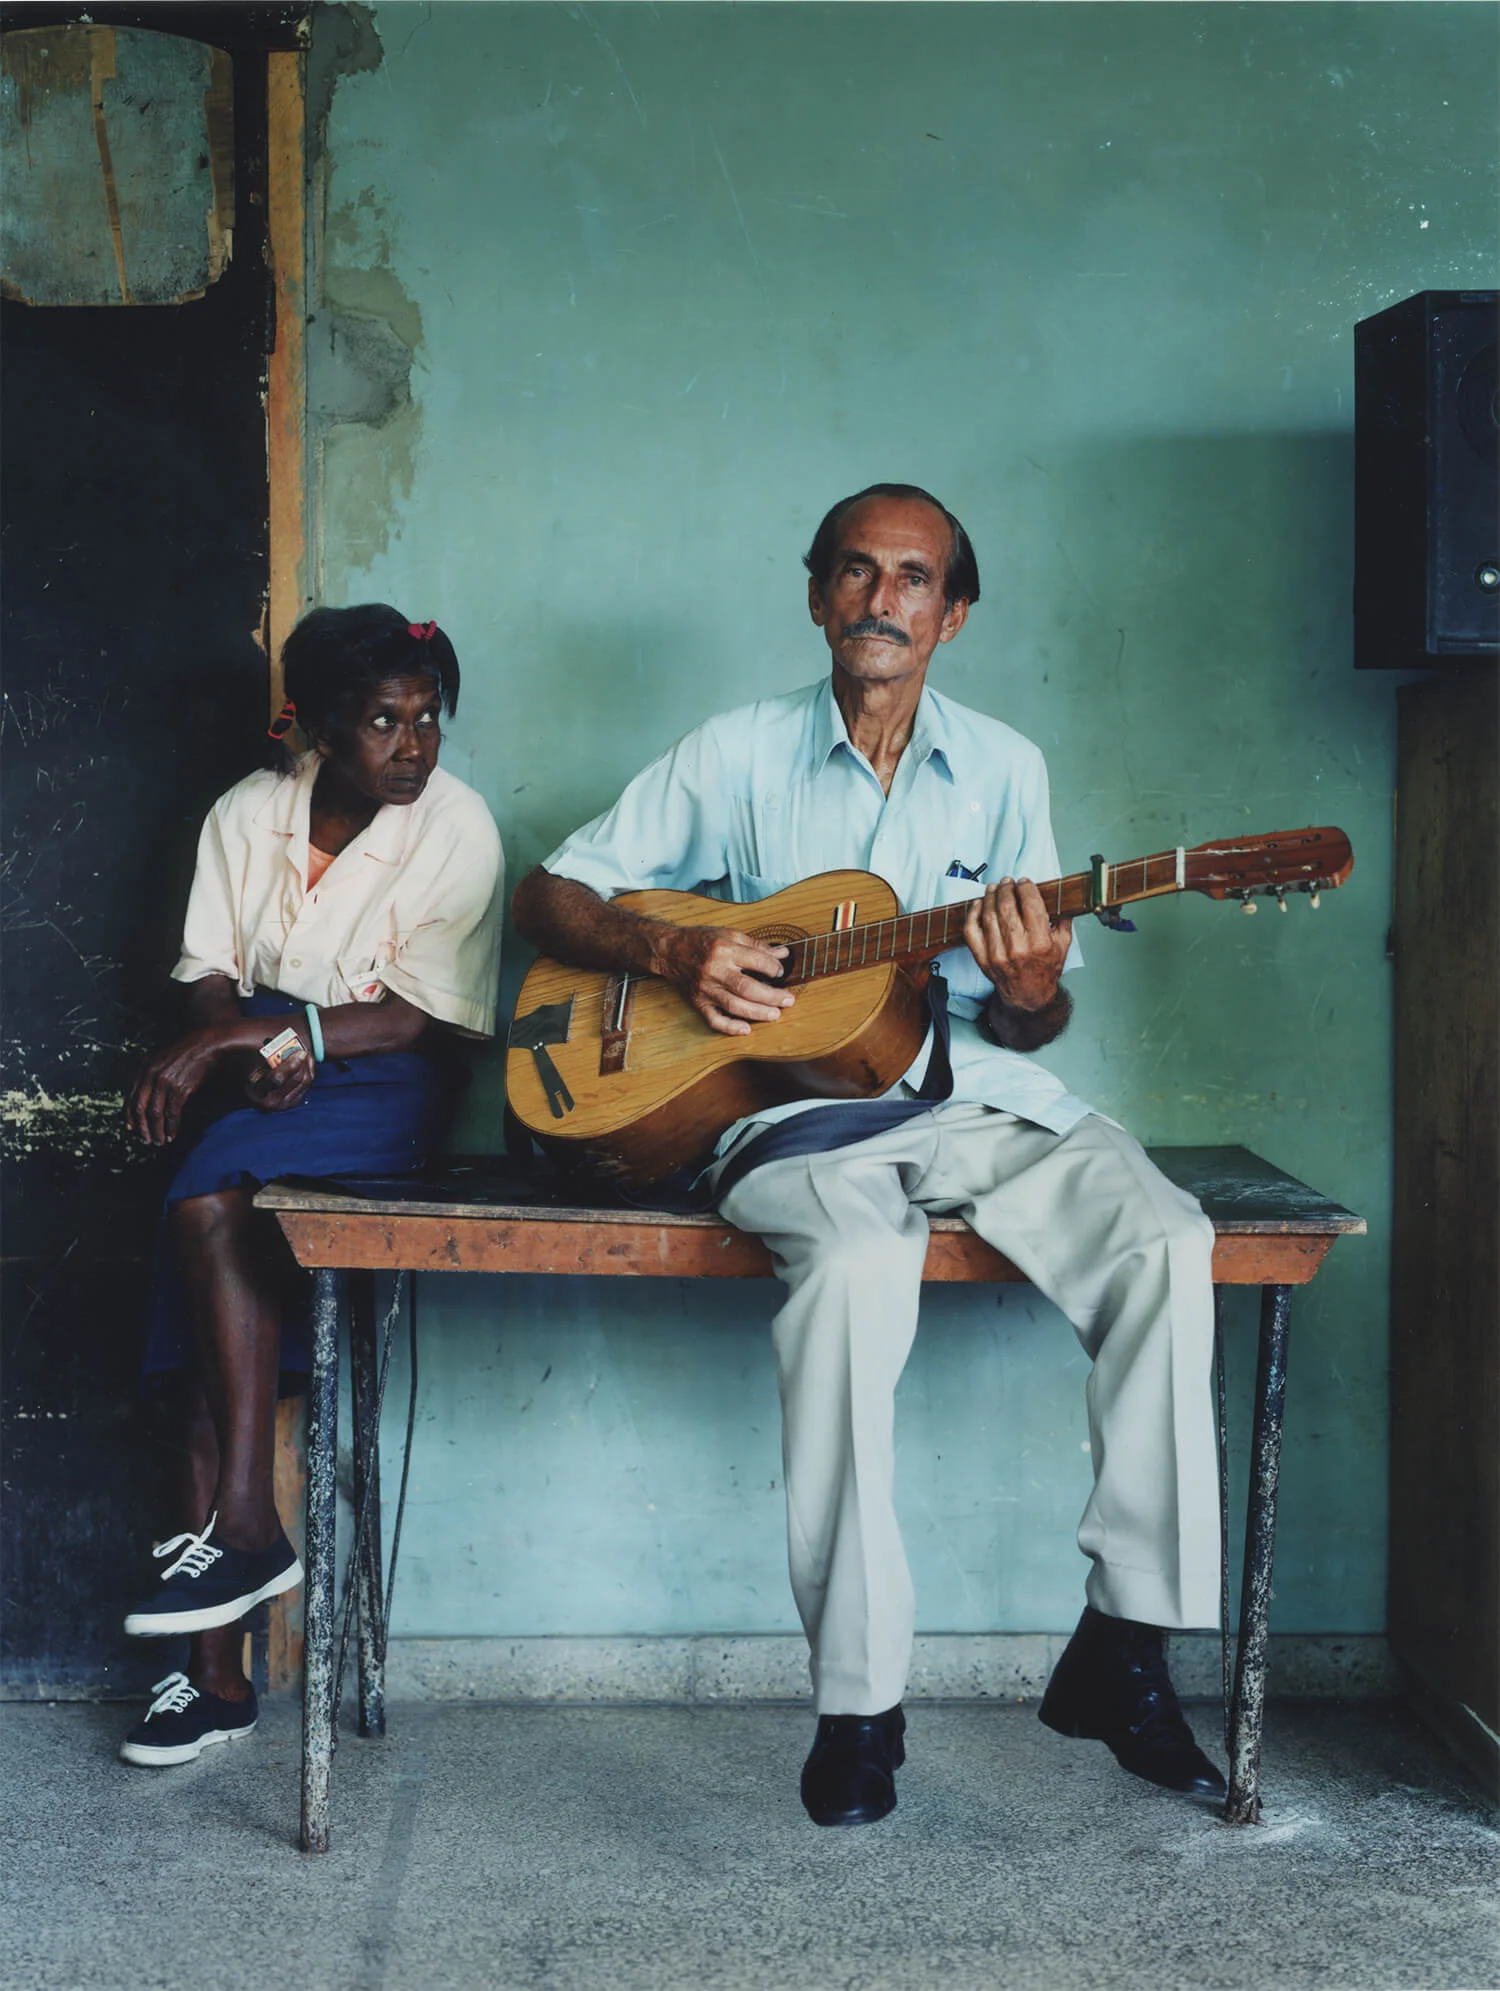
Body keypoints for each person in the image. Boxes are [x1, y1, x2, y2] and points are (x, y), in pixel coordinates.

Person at [512, 484, 1225, 1827]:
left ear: (951, 615)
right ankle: (858, 1703)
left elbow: (1037, 1011)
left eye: (912, 578)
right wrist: (678, 949)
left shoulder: (1006, 765)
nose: (880, 599)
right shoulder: (735, 751)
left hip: (972, 1088)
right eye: (855, 570)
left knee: (1168, 1235)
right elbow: (548, 890)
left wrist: (1024, 982)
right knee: (849, 1278)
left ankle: (1126, 1645)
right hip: (795, 1113)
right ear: (816, 593)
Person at [119, 605, 503, 1768]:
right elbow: (208, 975)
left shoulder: (460, 826)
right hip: (260, 1077)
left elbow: (417, 1014)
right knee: (190, 1357)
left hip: (385, 1085)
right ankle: (216, 1678)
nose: (413, 744)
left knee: (201, 1196)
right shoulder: (250, 811)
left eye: (427, 718)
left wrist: (283, 1043)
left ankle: (246, 1520)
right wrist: (233, 1043)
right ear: (317, 727)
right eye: (384, 720)